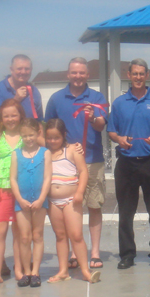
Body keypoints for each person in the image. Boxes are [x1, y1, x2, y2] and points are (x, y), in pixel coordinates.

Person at [107, 59, 150, 269]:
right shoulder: (119, 103)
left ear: (147, 75)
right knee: (126, 213)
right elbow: (111, 130)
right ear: (129, 75)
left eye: (141, 74)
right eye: (134, 73)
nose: (138, 77)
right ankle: (127, 254)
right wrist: (119, 140)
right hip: (126, 164)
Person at [44, 57, 108, 269]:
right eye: (74, 73)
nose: (78, 76)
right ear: (68, 74)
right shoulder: (56, 99)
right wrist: (68, 149)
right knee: (72, 207)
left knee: (94, 205)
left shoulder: (96, 97)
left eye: (82, 73)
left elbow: (100, 126)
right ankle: (74, 250)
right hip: (65, 163)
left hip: (92, 160)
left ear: (87, 75)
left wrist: (92, 118)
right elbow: (50, 131)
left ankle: (95, 252)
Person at [44, 119, 101, 284]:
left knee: (76, 235)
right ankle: (63, 270)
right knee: (60, 235)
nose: (52, 141)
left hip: (71, 200)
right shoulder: (45, 152)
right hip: (52, 201)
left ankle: (85, 270)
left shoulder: (72, 150)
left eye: (56, 137)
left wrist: (80, 192)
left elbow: (83, 172)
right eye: (49, 138)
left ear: (64, 136)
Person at [0, 99, 24, 286]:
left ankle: (18, 268)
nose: (10, 119)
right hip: (2, 189)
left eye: (14, 115)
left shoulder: (27, 134)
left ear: (20, 115)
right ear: (1, 118)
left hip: (22, 189)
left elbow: (49, 145)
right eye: (6, 116)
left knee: (19, 231)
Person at [9, 118, 51, 287]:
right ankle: (26, 271)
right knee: (24, 237)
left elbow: (48, 177)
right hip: (22, 202)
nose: (28, 139)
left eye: (31, 135)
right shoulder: (16, 154)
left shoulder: (45, 152)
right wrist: (19, 198)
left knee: (37, 235)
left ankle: (36, 272)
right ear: (21, 136)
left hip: (40, 201)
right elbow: (12, 178)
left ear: (38, 133)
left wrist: (41, 198)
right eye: (25, 136)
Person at [0, 54, 43, 126]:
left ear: (31, 70)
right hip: (6, 136)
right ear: (11, 69)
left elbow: (39, 122)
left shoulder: (34, 92)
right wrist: (15, 100)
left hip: (28, 137)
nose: (23, 72)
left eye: (27, 69)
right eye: (19, 68)